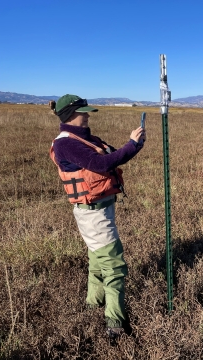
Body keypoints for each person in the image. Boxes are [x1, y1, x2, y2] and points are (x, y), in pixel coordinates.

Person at [49, 94, 145, 339]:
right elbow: (101, 165)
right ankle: (115, 326)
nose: (88, 115)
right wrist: (131, 145)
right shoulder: (65, 144)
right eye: (85, 112)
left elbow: (112, 154)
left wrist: (134, 145)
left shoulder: (87, 138)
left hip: (100, 210)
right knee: (114, 267)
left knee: (97, 262)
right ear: (72, 115)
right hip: (94, 215)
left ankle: (93, 304)